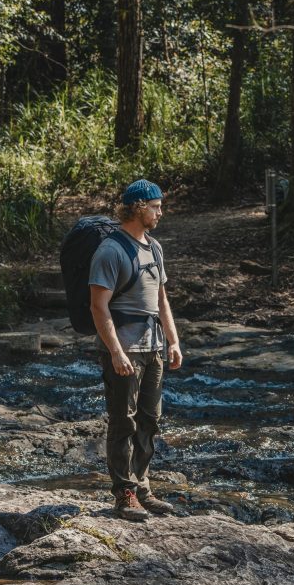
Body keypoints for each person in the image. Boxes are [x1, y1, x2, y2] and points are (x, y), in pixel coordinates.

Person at [89, 179, 183, 521]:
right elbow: (98, 306)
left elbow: (161, 300)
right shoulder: (110, 251)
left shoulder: (155, 248)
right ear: (139, 206)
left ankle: (142, 486)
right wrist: (115, 351)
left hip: (154, 347)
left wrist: (173, 341)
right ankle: (124, 493)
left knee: (150, 420)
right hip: (125, 350)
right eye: (156, 206)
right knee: (123, 422)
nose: (161, 212)